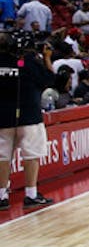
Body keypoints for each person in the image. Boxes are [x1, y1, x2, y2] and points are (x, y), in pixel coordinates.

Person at [0, 32, 61, 209]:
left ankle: (2, 196)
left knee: (2, 156)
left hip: (2, 118)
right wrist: (47, 58)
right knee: (31, 155)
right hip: (29, 116)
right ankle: (31, 194)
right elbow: (51, 80)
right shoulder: (30, 63)